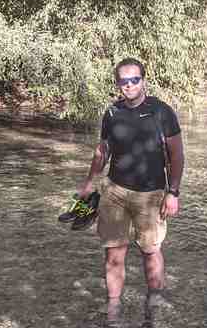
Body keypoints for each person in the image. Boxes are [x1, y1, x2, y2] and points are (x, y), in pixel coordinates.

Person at [76, 58, 184, 308]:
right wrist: (90, 183)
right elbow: (103, 151)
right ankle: (113, 308)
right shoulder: (113, 113)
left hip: (151, 195)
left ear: (143, 80)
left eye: (135, 79)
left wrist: (173, 192)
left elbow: (177, 155)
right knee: (113, 253)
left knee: (150, 251)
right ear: (117, 84)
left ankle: (154, 303)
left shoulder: (162, 112)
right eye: (124, 81)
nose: (129, 85)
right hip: (114, 192)